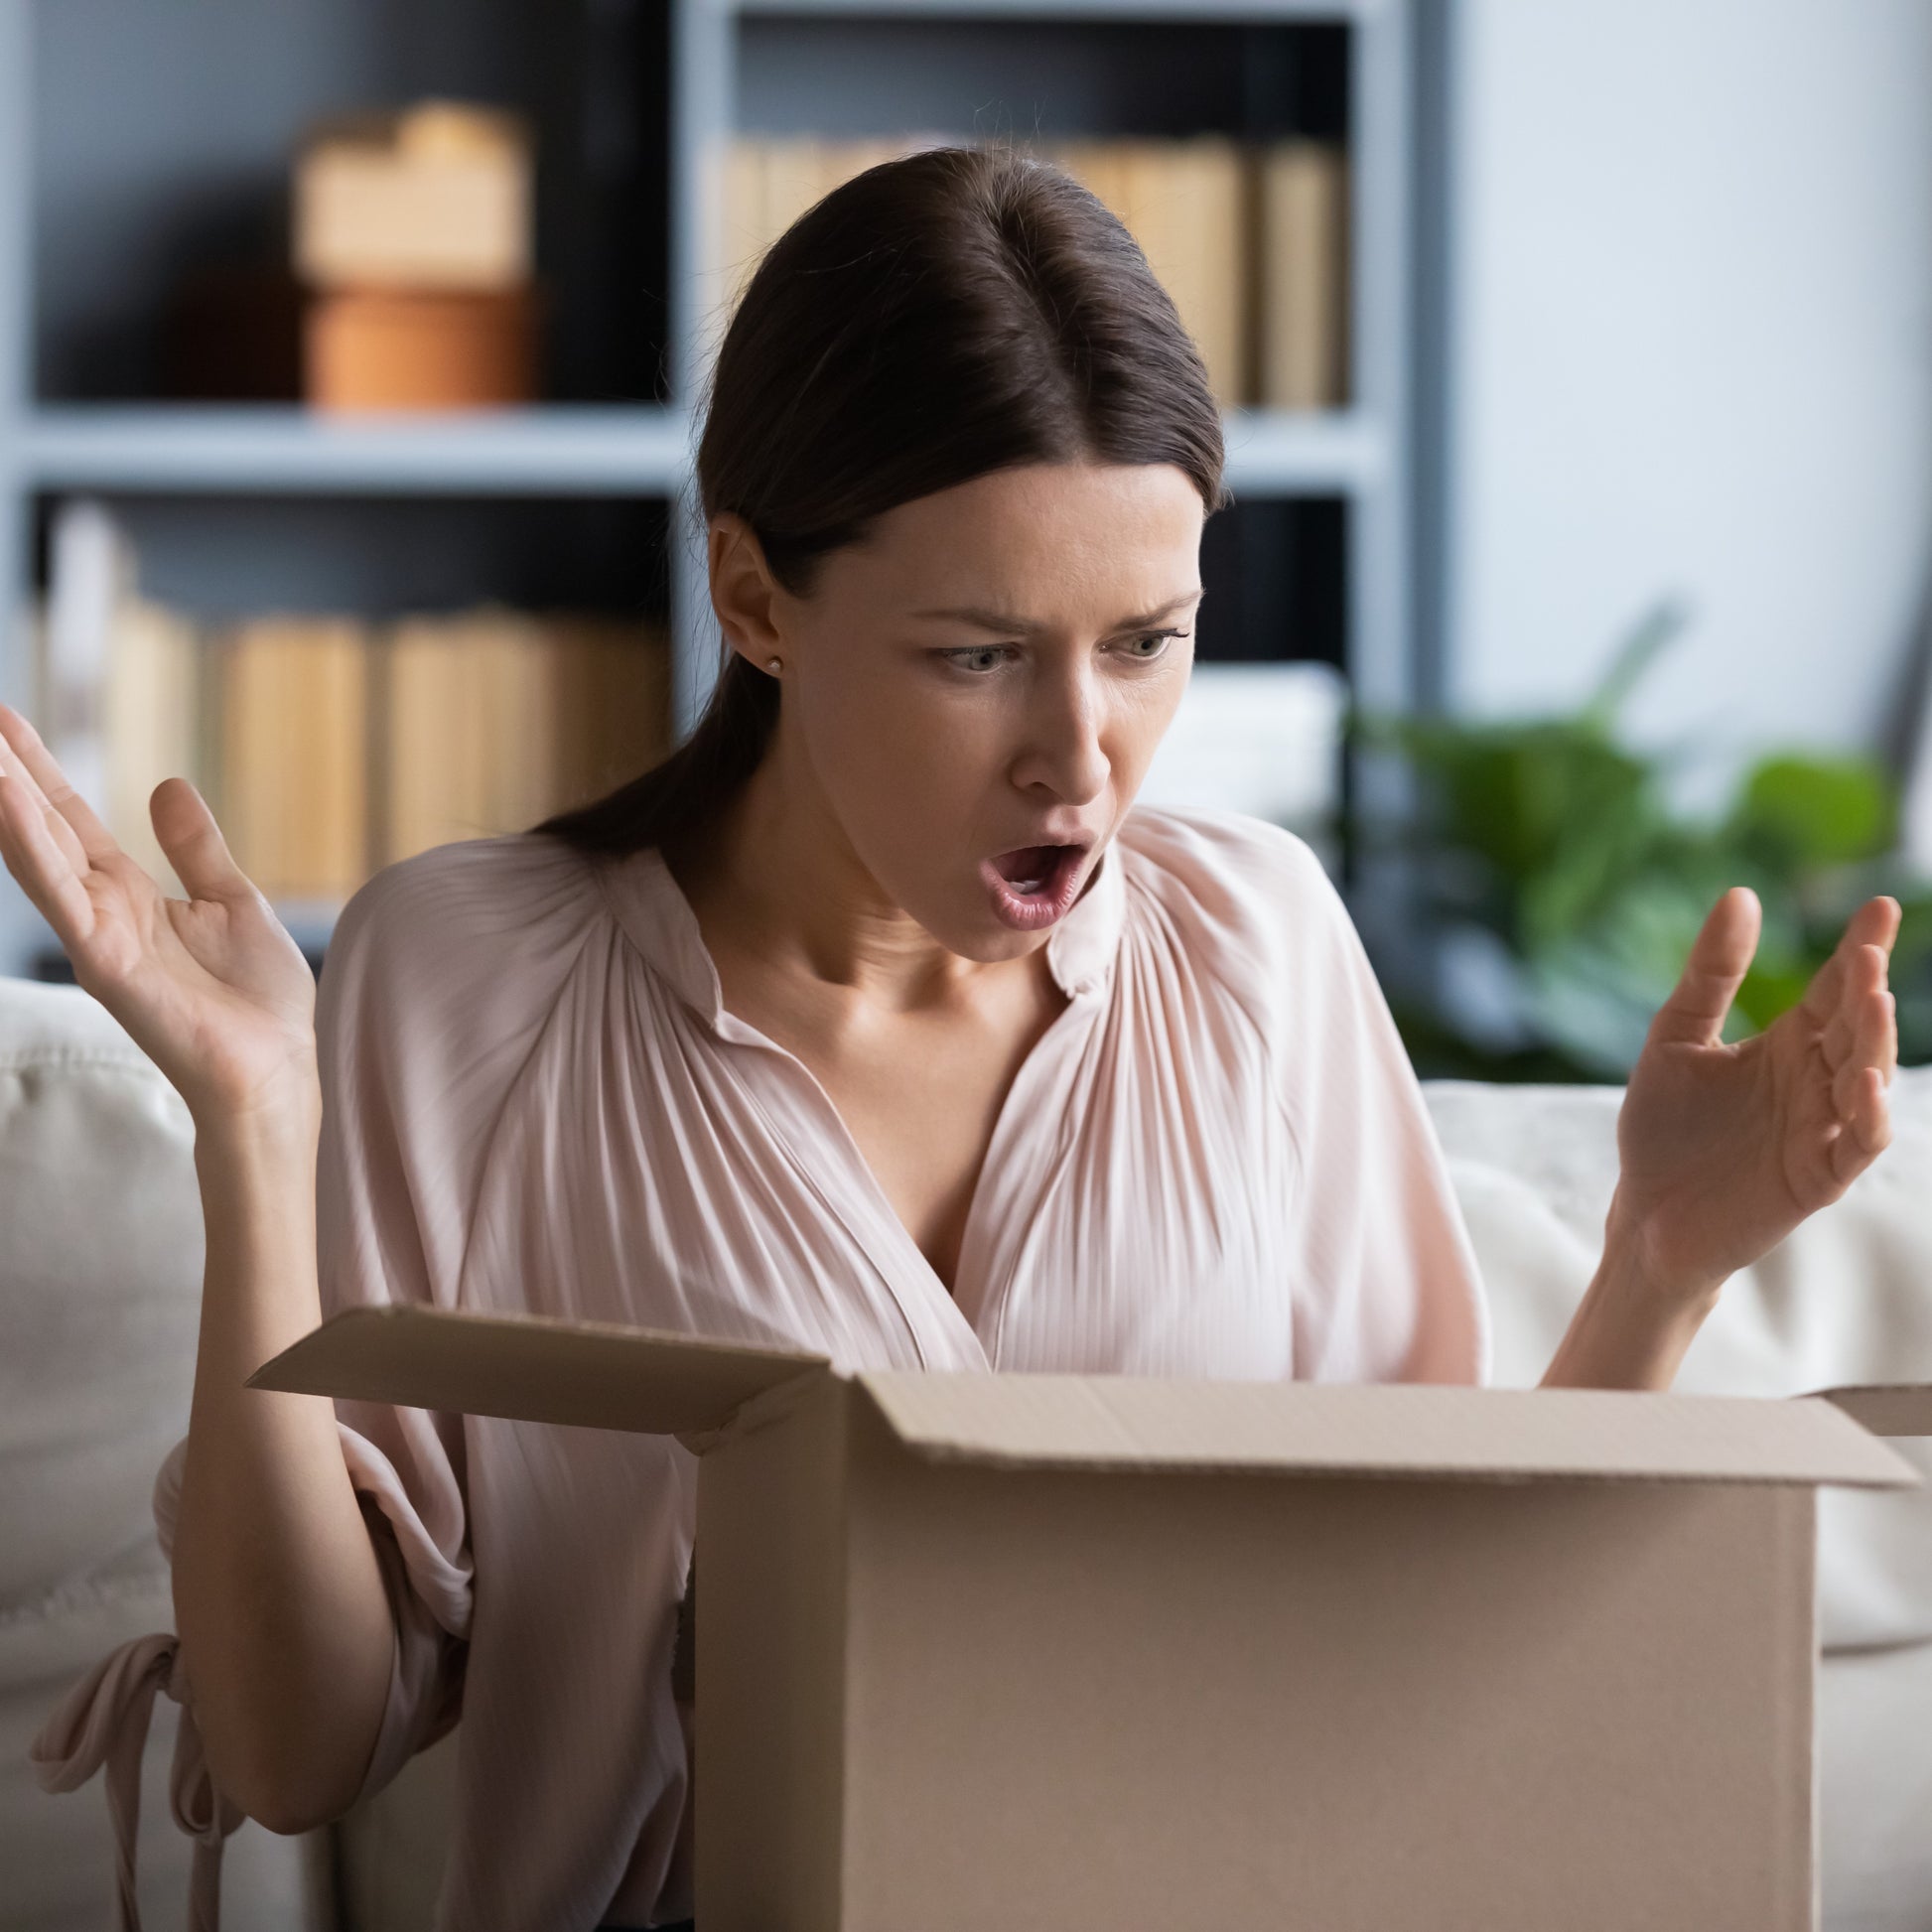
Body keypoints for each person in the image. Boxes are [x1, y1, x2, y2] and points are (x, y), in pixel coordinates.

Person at [3, 144, 1900, 1932]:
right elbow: (290, 1745)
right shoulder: (476, 979)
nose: (1079, 758)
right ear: (755, 597)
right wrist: (256, 1123)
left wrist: (1656, 1258)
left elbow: (1433, 1663)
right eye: (978, 654)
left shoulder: (1261, 948)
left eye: (1146, 640)